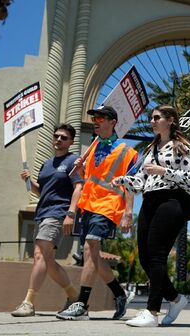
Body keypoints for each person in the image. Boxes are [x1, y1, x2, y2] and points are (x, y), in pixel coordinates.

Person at [116, 104, 190, 328]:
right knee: (145, 257)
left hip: (171, 201)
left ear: (171, 120)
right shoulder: (150, 149)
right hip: (150, 200)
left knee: (157, 254)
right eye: (151, 118)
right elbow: (141, 182)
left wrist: (165, 171)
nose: (152, 121)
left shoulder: (181, 147)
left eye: (157, 118)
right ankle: (175, 299)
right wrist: (123, 181)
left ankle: (152, 311)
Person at [57, 106, 138, 321]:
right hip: (88, 204)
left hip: (109, 205)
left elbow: (131, 183)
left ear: (112, 122)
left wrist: (129, 212)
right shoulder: (92, 147)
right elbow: (88, 178)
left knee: (90, 245)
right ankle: (120, 294)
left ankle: (81, 304)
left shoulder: (127, 151)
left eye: (100, 118)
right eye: (94, 118)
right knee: (91, 254)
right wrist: (80, 168)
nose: (96, 121)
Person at [11, 124, 83, 317]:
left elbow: (78, 188)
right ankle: (74, 296)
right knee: (48, 262)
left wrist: (70, 213)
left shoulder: (72, 161)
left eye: (64, 137)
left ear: (70, 142)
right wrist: (29, 182)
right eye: (57, 136)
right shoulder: (47, 163)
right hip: (42, 213)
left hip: (58, 214)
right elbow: (42, 191)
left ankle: (28, 303)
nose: (59, 139)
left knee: (40, 256)